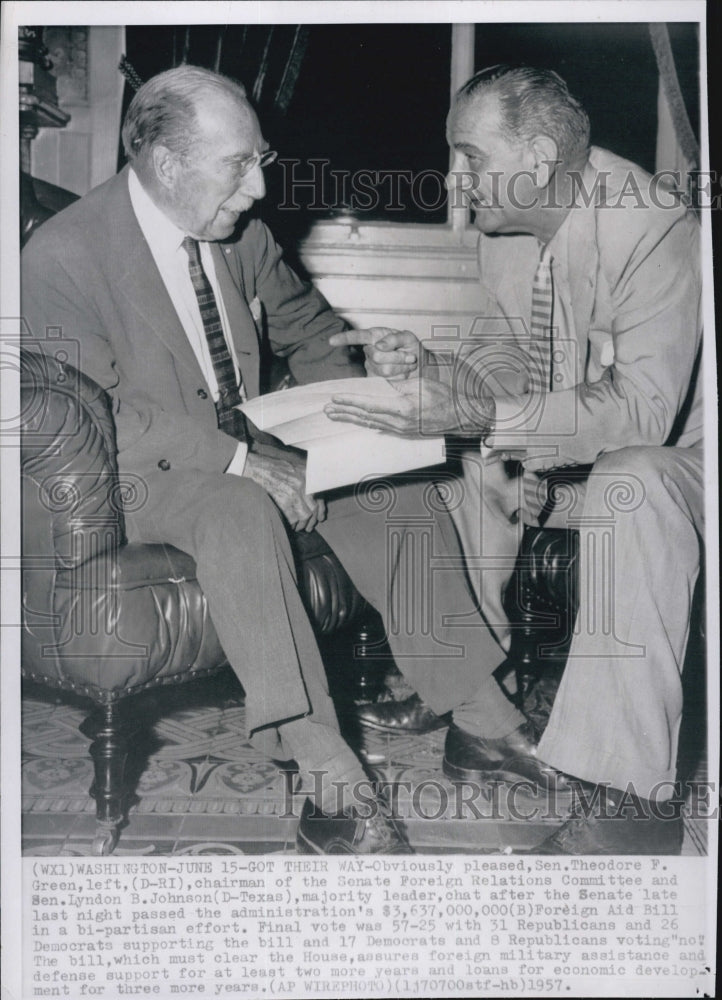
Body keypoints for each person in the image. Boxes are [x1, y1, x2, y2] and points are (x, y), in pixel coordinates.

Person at [22, 65, 575, 855]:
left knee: (395, 493)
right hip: (141, 469)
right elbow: (97, 415)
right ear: (168, 165)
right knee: (239, 509)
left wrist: (356, 422)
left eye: (261, 161)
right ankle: (329, 779)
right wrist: (243, 463)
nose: (257, 188)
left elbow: (310, 333)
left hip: (251, 436)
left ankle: (484, 722)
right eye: (237, 166)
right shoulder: (64, 255)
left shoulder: (240, 234)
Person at [326, 65, 704, 854]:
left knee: (629, 483)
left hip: (686, 464)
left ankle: (632, 807)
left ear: (535, 155)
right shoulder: (502, 243)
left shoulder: (649, 223)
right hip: (583, 460)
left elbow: (644, 413)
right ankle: (474, 702)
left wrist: (494, 418)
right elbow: (503, 371)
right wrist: (426, 369)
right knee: (456, 457)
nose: (456, 180)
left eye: (471, 157)